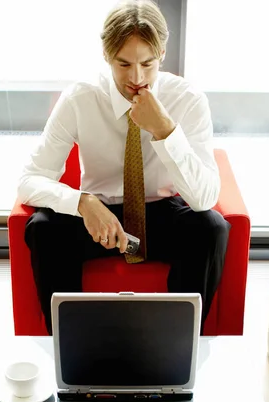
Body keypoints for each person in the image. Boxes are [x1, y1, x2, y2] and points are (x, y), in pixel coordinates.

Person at [19, 0, 230, 335]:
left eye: (147, 63)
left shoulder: (188, 100)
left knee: (211, 227)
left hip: (162, 213)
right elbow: (29, 180)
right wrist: (83, 203)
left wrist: (165, 131)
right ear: (106, 56)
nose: (137, 77)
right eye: (123, 64)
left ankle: (176, 347)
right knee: (43, 227)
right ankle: (72, 347)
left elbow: (204, 198)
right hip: (99, 218)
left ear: (162, 53)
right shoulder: (80, 99)